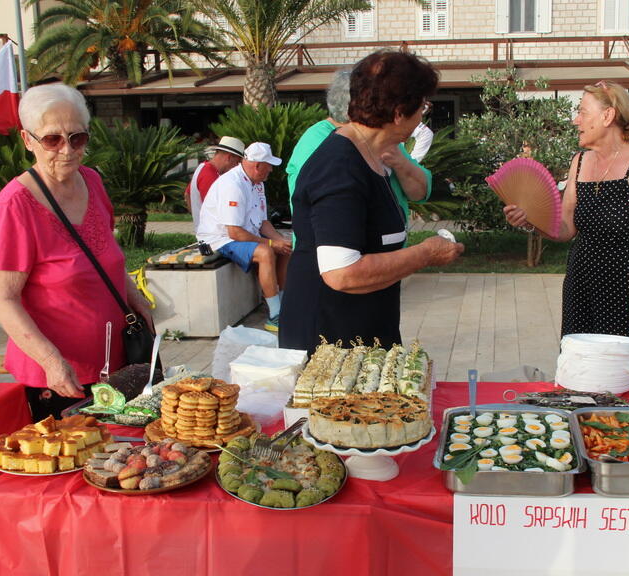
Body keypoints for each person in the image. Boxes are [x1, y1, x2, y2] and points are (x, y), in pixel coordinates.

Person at [0, 83, 154, 419]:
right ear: (27, 140)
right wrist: (50, 360)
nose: (67, 150)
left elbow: (106, 256)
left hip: (117, 364)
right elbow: (1, 299)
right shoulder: (15, 205)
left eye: (78, 138)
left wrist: (136, 300)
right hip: (63, 378)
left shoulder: (91, 181)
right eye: (52, 139)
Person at [280, 49, 463, 355]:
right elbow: (342, 272)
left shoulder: (374, 154)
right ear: (399, 112)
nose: (422, 115)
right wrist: (426, 253)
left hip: (363, 328)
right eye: (422, 106)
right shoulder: (339, 167)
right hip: (330, 340)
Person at [504, 80, 629, 345]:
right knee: (579, 364)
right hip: (581, 284)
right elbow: (565, 229)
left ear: (608, 116)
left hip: (628, 289)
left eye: (582, 112)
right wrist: (530, 220)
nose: (576, 120)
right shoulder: (579, 162)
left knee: (622, 367)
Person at [286, 67, 430, 222]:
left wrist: (401, 163)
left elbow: (420, 192)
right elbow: (330, 211)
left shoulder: (381, 137)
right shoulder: (317, 140)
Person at [198, 142, 292, 332]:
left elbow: (263, 222)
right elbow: (235, 233)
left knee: (285, 248)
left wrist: (280, 241)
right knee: (266, 252)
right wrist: (271, 243)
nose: (271, 170)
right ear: (257, 165)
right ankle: (275, 315)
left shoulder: (257, 184)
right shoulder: (232, 185)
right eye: (269, 165)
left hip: (241, 235)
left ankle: (283, 306)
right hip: (219, 239)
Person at [184, 136, 245, 231]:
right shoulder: (210, 175)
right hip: (214, 232)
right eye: (237, 162)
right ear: (229, 157)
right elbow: (220, 208)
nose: (236, 167)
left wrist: (197, 218)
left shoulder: (203, 168)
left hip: (207, 230)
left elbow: (187, 194)